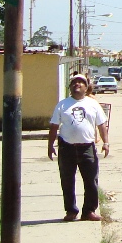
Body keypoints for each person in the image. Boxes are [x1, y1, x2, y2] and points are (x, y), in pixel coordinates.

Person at [48, 73, 110, 221]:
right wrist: (50, 145)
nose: (77, 85)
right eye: (74, 83)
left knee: (91, 180)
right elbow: (54, 126)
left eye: (81, 83)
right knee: (67, 180)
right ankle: (71, 211)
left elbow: (102, 125)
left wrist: (106, 143)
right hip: (66, 147)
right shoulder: (62, 104)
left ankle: (89, 211)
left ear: (86, 87)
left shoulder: (93, 104)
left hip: (87, 147)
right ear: (70, 87)